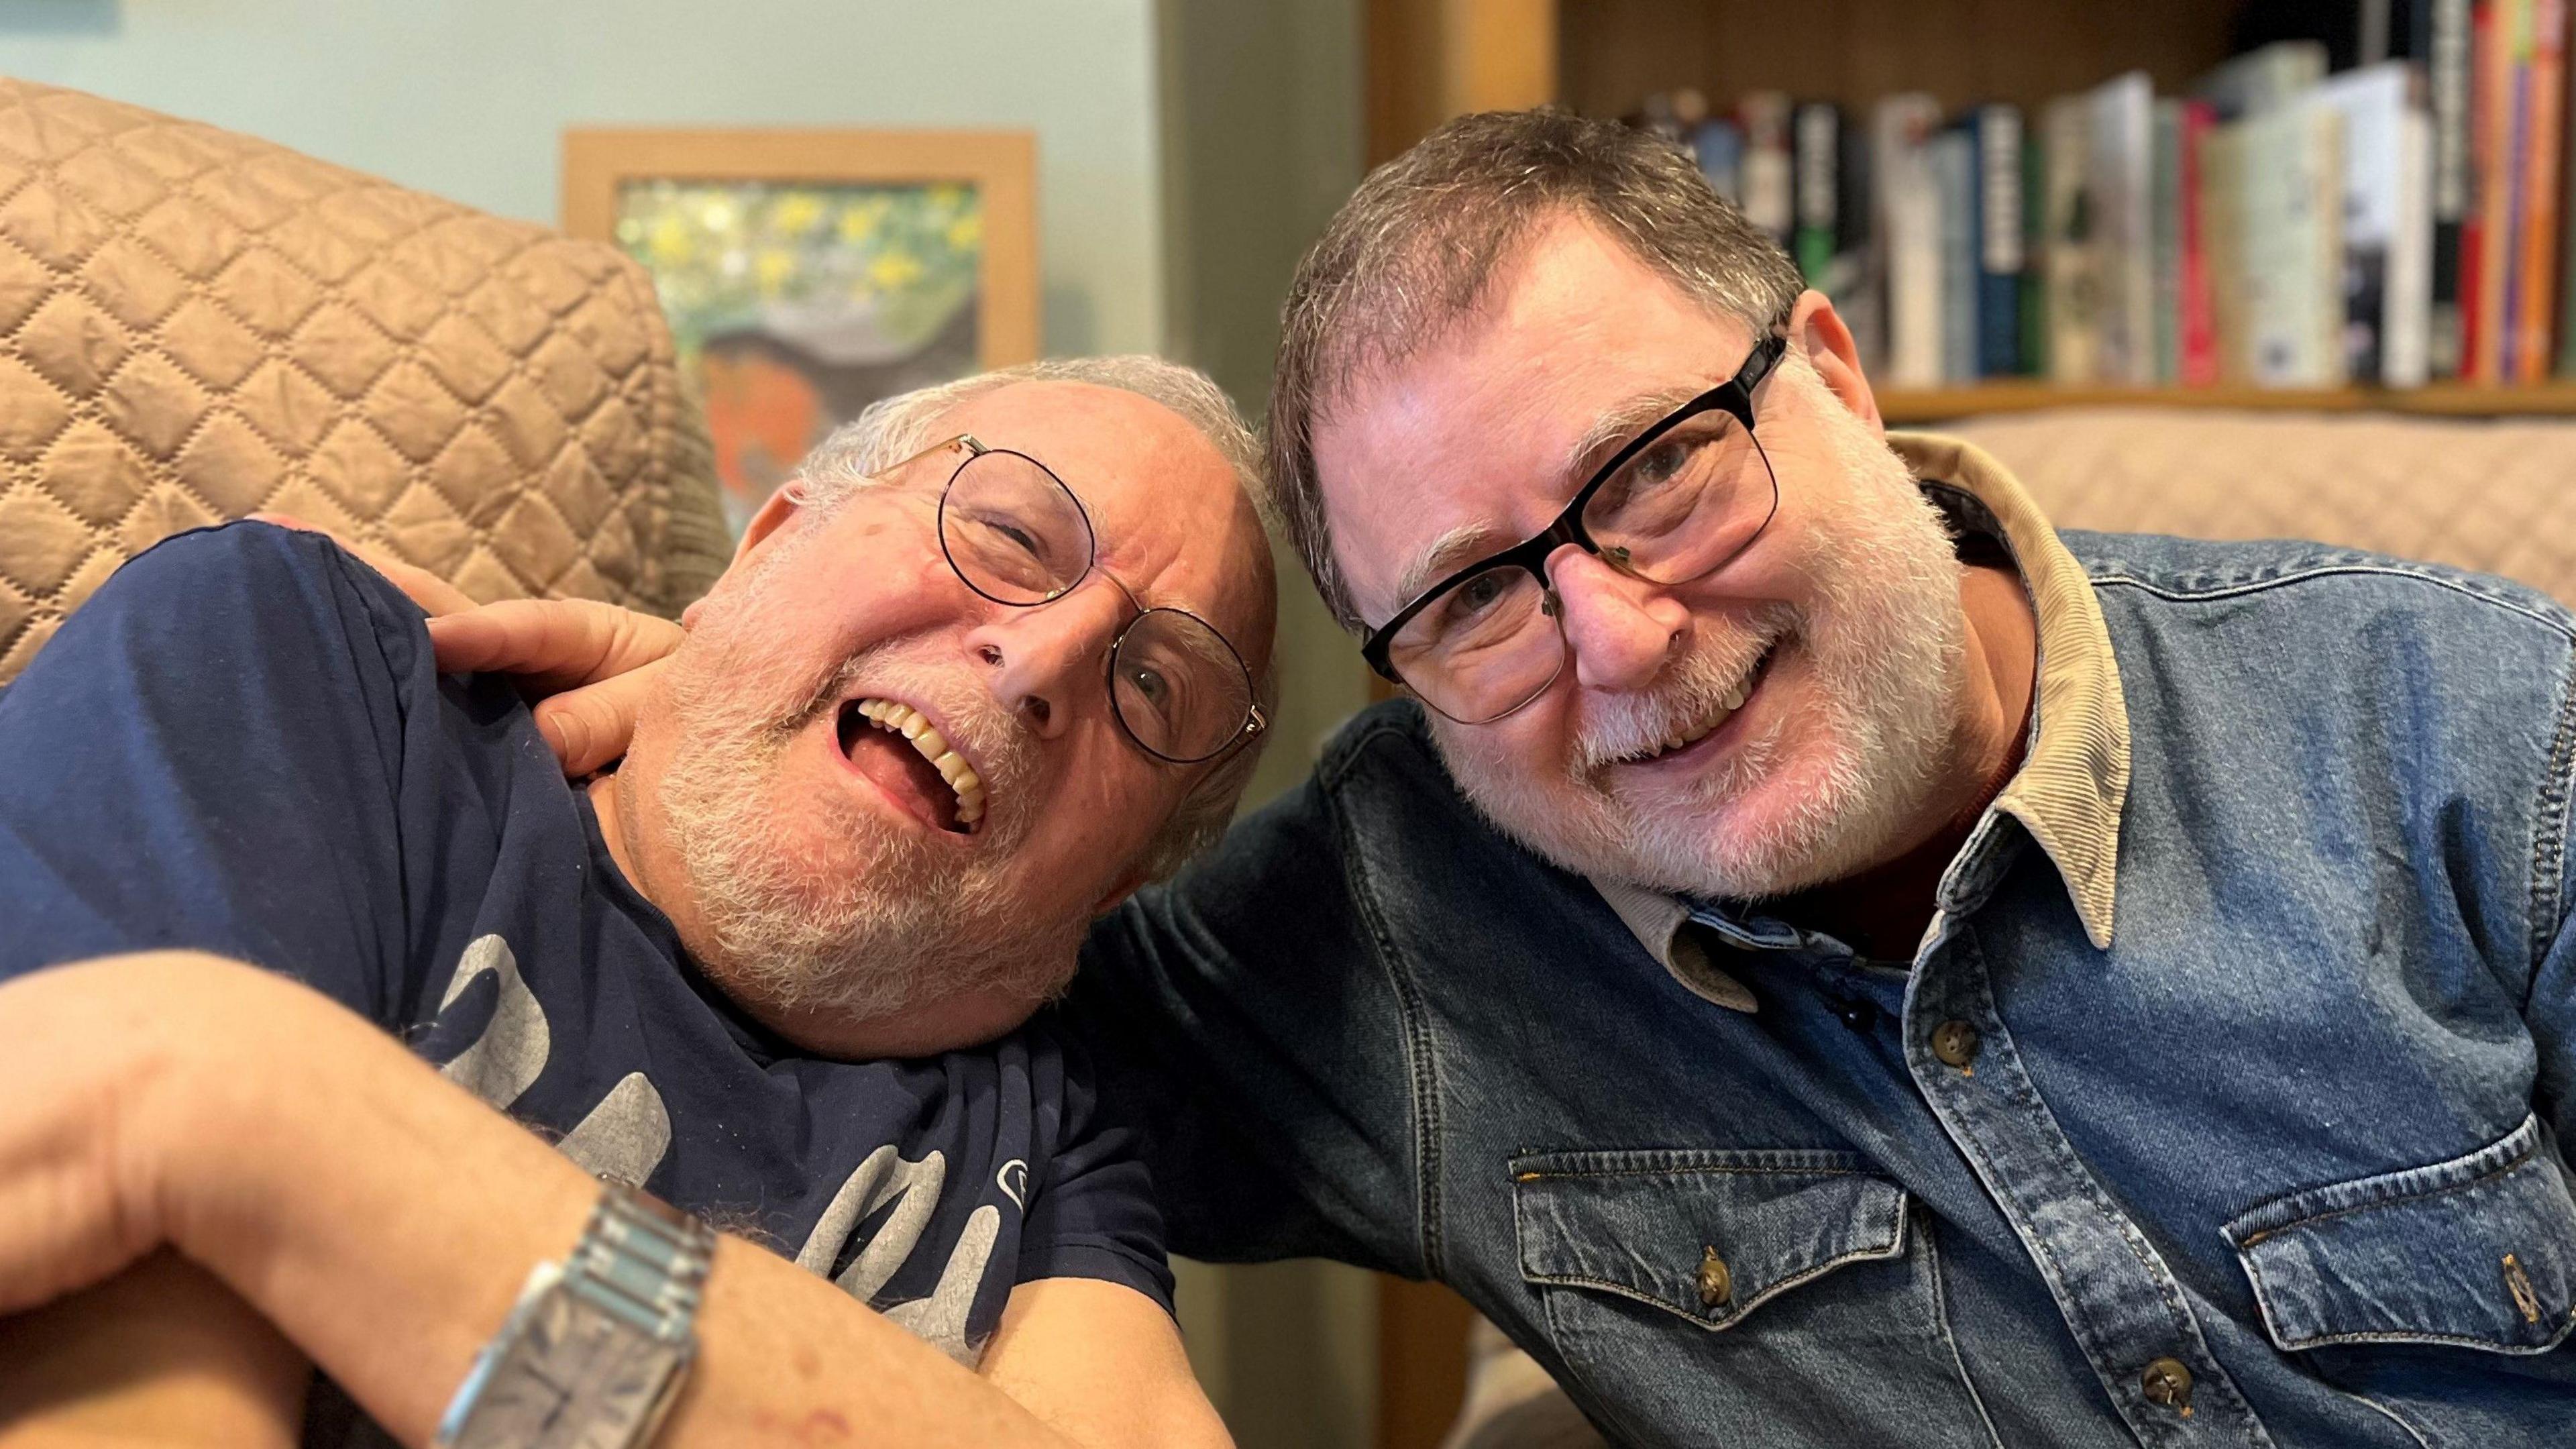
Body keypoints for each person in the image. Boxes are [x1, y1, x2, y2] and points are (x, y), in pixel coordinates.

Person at [16, 109, 2576, 1445]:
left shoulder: (2482, 744)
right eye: (1467, 600)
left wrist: (239, 1113)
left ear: (1832, 367)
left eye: (1664, 466)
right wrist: (744, 703)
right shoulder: (1360, 940)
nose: (1621, 639)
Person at [0, 356, 1275, 1449]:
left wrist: (251, 1109)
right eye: (1007, 534)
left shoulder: (1052, 1147)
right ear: (772, 544)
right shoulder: (312, 676)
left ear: (1114, 887)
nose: (1044, 660)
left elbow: (173, 1098)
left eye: (1154, 688)